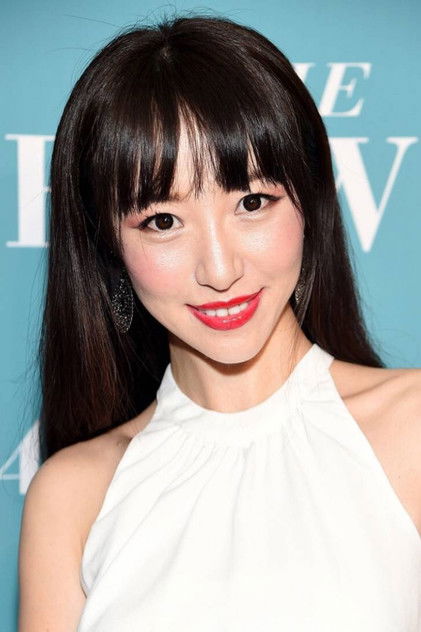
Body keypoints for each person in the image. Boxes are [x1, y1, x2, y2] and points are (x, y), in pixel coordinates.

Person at [18, 13, 421, 632]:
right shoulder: (72, 496)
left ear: (310, 206)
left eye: (252, 203)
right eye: (163, 221)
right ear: (109, 248)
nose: (220, 268)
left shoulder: (411, 427)